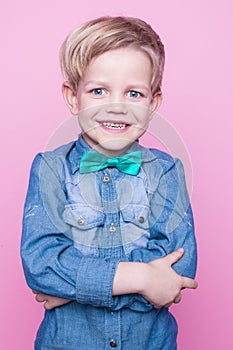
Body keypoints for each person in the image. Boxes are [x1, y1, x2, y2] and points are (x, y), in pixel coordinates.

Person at [21, 16, 198, 350]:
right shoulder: (49, 169)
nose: (116, 107)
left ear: (153, 103)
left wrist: (73, 292)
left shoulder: (167, 172)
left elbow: (176, 273)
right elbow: (41, 265)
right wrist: (144, 279)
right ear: (73, 97)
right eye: (98, 91)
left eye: (133, 93)